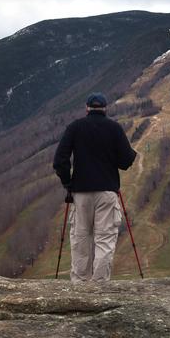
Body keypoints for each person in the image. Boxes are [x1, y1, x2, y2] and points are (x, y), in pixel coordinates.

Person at [53, 92, 137, 282]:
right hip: (107, 191)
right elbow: (125, 161)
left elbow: (60, 160)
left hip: (80, 192)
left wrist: (68, 183)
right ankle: (99, 288)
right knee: (104, 240)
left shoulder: (75, 127)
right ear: (105, 109)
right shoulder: (114, 128)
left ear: (87, 108)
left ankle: (80, 286)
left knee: (81, 239)